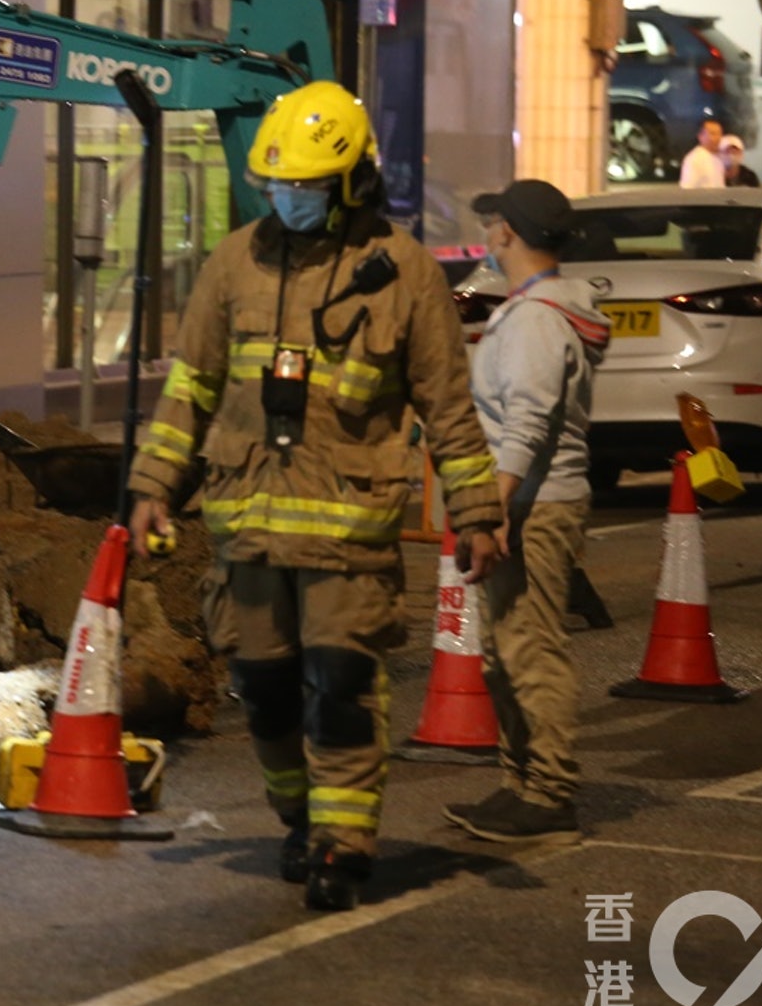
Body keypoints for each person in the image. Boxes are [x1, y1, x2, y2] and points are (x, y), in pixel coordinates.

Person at [127, 81, 504, 913]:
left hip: (348, 533)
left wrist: (475, 511)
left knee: (340, 687)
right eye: (279, 187)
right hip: (246, 528)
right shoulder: (233, 263)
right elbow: (190, 385)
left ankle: (344, 842)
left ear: (351, 185)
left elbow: (446, 403)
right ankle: (297, 816)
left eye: (306, 188)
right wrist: (155, 487)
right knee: (261, 692)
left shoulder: (403, 273)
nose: (290, 202)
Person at [444, 181, 608, 845]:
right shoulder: (537, 308)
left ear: (509, 233)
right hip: (529, 500)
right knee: (504, 653)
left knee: (531, 650)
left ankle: (548, 794)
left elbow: (529, 420)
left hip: (535, 504)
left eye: (495, 221)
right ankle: (520, 784)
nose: (489, 231)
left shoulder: (539, 317)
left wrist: (497, 504)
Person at [677, 118, 726, 189]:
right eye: (713, 133)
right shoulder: (694, 159)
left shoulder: (719, 159)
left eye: (719, 133)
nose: (717, 138)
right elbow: (687, 190)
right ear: (700, 136)